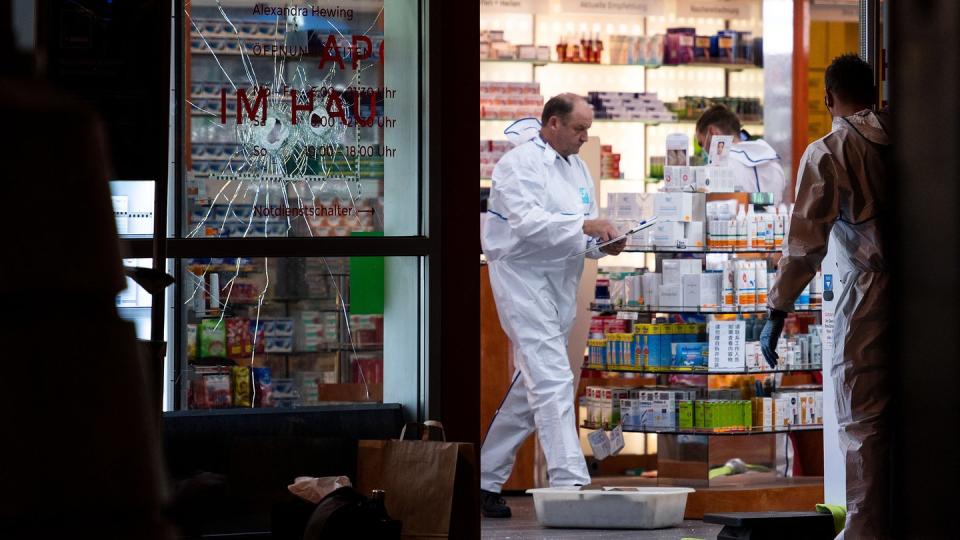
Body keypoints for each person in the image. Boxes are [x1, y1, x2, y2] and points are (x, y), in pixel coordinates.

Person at [761, 54, 891, 539]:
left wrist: (777, 308)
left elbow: (803, 245)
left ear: (827, 97)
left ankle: (865, 533)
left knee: (863, 423)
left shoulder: (829, 151)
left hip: (868, 297)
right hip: (931, 297)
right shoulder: (914, 137)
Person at [479, 93, 625, 518]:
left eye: (588, 130)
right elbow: (527, 225)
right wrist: (585, 226)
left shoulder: (577, 168)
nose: (585, 137)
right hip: (522, 281)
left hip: (560, 284)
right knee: (553, 379)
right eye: (579, 128)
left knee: (534, 387)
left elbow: (580, 234)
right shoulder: (517, 165)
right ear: (554, 123)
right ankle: (570, 485)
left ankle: (484, 477)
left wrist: (604, 244)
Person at [695, 104, 787, 203]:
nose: (703, 149)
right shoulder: (774, 165)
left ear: (713, 132)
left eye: (701, 143)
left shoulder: (715, 170)